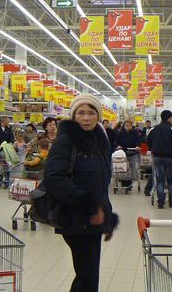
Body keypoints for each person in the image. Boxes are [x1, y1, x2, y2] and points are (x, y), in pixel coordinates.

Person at [43, 94, 118, 292]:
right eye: (81, 113)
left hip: (94, 218)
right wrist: (89, 206)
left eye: (91, 113)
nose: (86, 118)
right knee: (87, 277)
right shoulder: (66, 141)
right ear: (73, 115)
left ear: (98, 116)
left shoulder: (99, 142)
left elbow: (101, 183)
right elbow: (53, 178)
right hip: (75, 217)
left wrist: (107, 216)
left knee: (87, 277)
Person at [146, 110, 172, 209]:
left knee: (160, 180)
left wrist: (153, 148)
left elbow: (147, 141)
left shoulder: (153, 129)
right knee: (171, 180)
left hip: (157, 158)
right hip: (170, 158)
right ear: (169, 118)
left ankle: (160, 202)